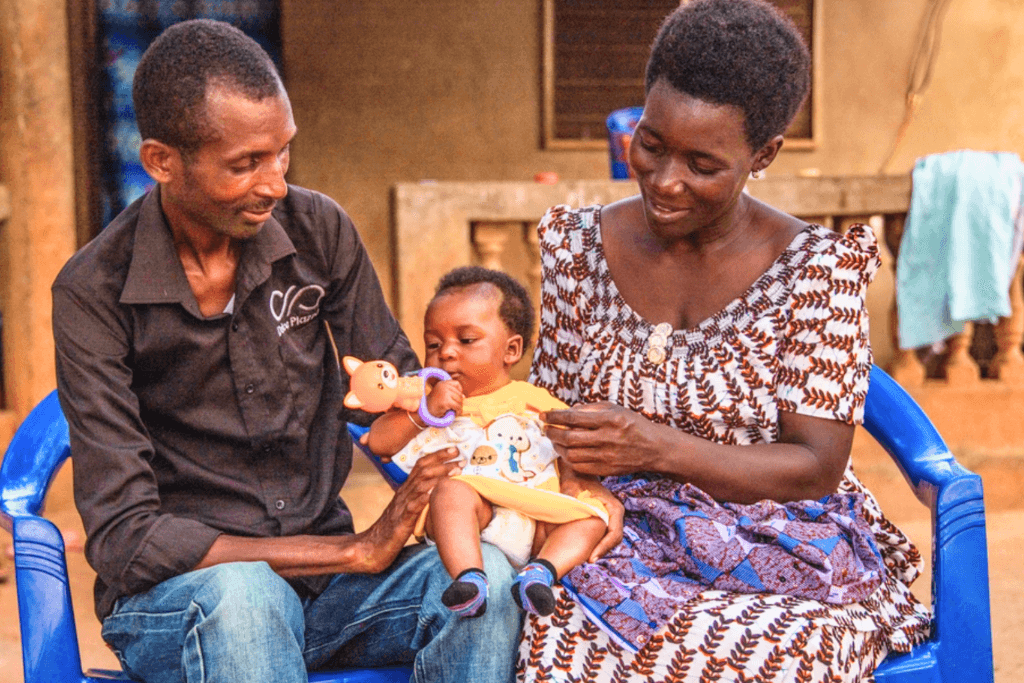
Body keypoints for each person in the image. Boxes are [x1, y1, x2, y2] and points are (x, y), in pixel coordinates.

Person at [52, 19, 523, 683]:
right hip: (185, 597)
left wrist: (428, 415)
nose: (274, 183)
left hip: (328, 589)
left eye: (282, 153)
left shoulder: (317, 228)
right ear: (162, 161)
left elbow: (393, 386)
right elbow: (127, 536)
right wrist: (348, 549)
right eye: (245, 164)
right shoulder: (92, 290)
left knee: (486, 583)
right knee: (248, 596)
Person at [516, 1, 932, 681]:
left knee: (734, 653)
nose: (665, 179)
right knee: (553, 629)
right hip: (615, 534)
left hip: (778, 546)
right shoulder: (578, 248)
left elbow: (816, 464)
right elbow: (549, 416)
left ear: (762, 153)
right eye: (651, 143)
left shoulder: (815, 269)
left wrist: (657, 446)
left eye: (703, 163)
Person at [357, 266, 608, 619]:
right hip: (469, 521)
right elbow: (378, 441)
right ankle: (470, 579)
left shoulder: (534, 399)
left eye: (466, 340)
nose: (445, 353)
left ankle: (541, 573)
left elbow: (572, 444)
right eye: (433, 343)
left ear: (511, 350)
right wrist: (425, 411)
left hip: (532, 518)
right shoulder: (429, 403)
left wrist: (573, 481)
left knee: (593, 519)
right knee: (451, 492)